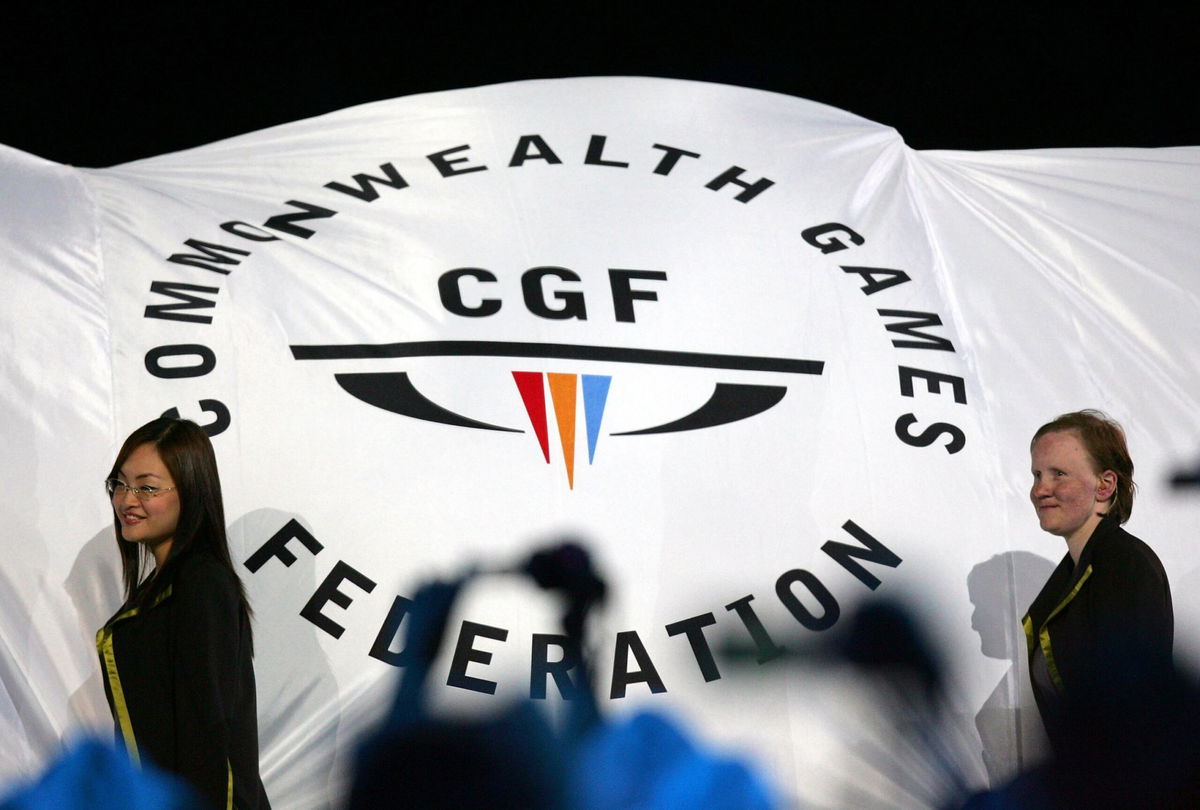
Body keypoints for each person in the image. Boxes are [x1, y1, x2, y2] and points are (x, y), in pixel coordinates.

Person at [95, 418, 270, 809]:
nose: (127, 500)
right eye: (120, 483)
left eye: (147, 487)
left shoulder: (201, 583)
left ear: (191, 493)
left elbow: (211, 731)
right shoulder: (166, 585)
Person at [1021, 410, 1172, 750]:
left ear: (1105, 485)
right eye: (1037, 475)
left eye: (1059, 474)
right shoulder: (1075, 575)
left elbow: (1137, 703)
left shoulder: (1124, 564)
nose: (1040, 489)